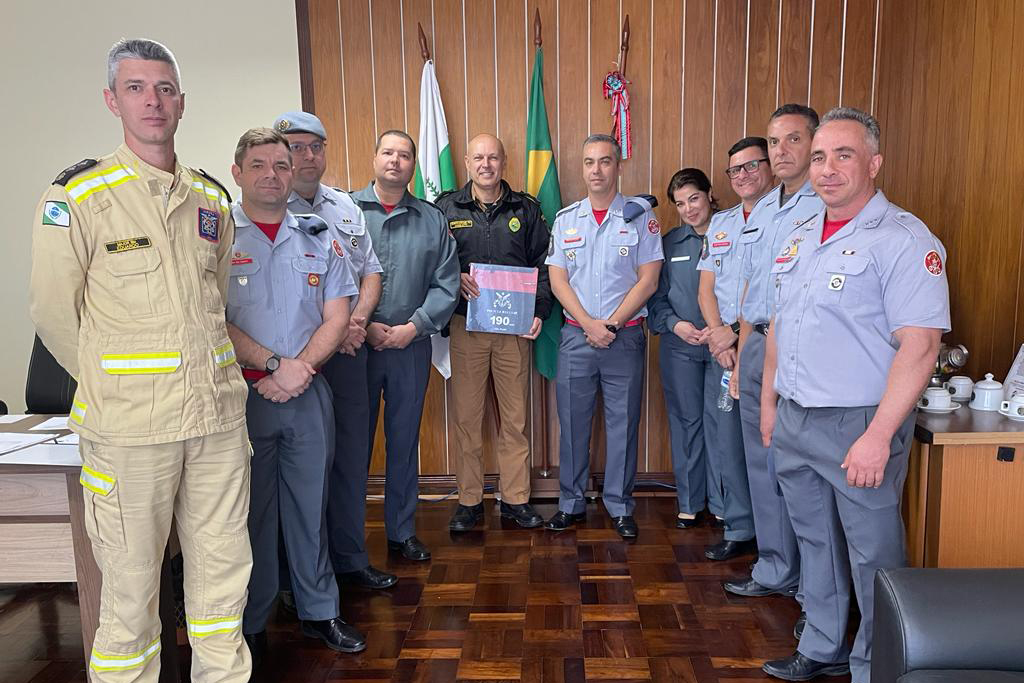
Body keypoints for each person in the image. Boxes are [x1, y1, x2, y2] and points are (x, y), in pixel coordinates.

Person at [29, 39, 253, 681]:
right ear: (112, 100)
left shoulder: (210, 199)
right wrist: (113, 384)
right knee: (129, 603)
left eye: (163, 88)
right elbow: (52, 312)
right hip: (130, 432)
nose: (152, 101)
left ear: (181, 101)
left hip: (215, 425)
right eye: (136, 87)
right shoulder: (79, 195)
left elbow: (214, 302)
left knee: (221, 594)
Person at [760, 108, 948, 683]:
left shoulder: (904, 240)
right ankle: (822, 644)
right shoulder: (797, 233)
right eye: (819, 156)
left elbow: (920, 346)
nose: (828, 168)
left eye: (844, 155)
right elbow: (779, 326)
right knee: (814, 541)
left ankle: (877, 665)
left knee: (872, 556)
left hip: (859, 425)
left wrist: (877, 435)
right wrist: (770, 407)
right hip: (795, 419)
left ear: (874, 163)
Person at [225, 127, 365, 659]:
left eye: (281, 166)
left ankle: (319, 611)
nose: (272, 175)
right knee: (250, 514)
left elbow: (337, 315)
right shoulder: (217, 238)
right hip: (241, 398)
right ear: (238, 172)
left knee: (312, 508)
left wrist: (298, 369)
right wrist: (271, 366)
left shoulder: (317, 234)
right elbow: (210, 319)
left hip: (307, 394)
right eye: (259, 164)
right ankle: (253, 620)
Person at [274, 111, 397, 590]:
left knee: (349, 458)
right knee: (294, 472)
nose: (306, 156)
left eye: (315, 146)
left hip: (345, 355)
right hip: (287, 362)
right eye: (296, 146)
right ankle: (293, 576)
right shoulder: (263, 206)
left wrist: (356, 322)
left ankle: (348, 559)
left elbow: (370, 272)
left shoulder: (345, 207)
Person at [725, 105, 823, 605]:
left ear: (815, 144)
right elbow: (749, 289)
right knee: (761, 463)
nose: (781, 152)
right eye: (774, 142)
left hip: (802, 347)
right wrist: (742, 357)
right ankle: (775, 565)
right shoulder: (762, 209)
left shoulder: (824, 205)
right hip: (758, 340)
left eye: (792, 141)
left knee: (800, 468)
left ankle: (814, 585)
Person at [543, 134, 664, 539]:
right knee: (573, 425)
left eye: (605, 162)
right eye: (589, 162)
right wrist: (590, 325)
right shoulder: (566, 219)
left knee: (623, 424)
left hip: (624, 338)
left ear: (618, 167)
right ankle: (570, 503)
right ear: (582, 168)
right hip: (578, 337)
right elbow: (558, 280)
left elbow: (648, 281)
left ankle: (620, 505)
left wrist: (610, 324)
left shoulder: (640, 218)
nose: (597, 170)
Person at [350, 130, 460, 561]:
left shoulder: (431, 218)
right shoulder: (346, 211)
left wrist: (413, 328)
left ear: (414, 165)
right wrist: (362, 325)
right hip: (353, 346)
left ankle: (401, 531)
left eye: (405, 155)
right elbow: (331, 274)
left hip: (410, 347)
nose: (395, 161)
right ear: (375, 157)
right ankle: (348, 539)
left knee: (402, 442)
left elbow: (446, 283)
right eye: (388, 153)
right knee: (353, 444)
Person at [435, 134, 551, 531]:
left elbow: (544, 264)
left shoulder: (526, 209)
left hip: (515, 330)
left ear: (504, 161)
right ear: (467, 162)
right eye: (478, 157)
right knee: (468, 417)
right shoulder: (446, 207)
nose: (486, 164)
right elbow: (433, 264)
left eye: (493, 158)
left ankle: (517, 498)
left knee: (515, 419)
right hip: (466, 325)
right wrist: (455, 281)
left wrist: (540, 311)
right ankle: (469, 500)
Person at [696, 137, 774, 561]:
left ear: (769, 167)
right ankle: (740, 525)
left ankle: (773, 538)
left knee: (765, 446)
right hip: (722, 351)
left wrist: (733, 334)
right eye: (735, 170)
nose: (742, 176)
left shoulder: (788, 217)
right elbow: (706, 287)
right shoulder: (722, 223)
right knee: (728, 441)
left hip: (762, 344)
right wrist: (719, 336)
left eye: (751, 166)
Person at [648, 168, 725, 529]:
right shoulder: (669, 243)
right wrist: (676, 325)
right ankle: (691, 502)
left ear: (709, 195)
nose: (689, 209)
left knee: (722, 425)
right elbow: (656, 298)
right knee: (687, 424)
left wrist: (725, 331)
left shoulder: (733, 233)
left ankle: (726, 504)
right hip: (680, 349)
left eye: (694, 198)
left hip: (725, 347)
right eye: (680, 203)